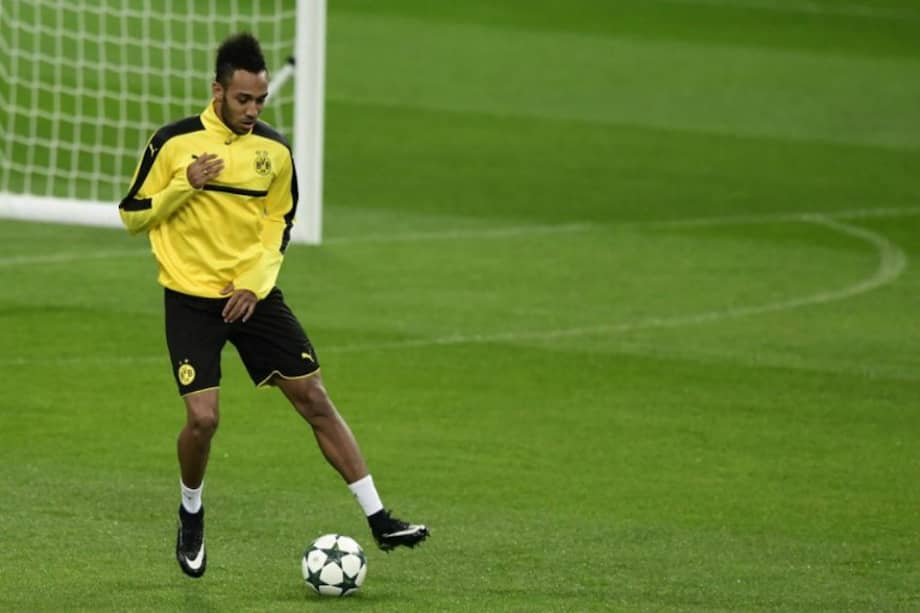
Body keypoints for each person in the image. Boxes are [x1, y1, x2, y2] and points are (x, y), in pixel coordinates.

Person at [118, 32, 428, 579]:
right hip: (190, 300)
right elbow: (132, 214)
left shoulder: (275, 152)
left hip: (252, 297)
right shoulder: (174, 143)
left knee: (314, 398)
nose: (253, 110)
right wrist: (183, 186)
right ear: (218, 91)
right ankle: (191, 512)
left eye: (260, 100)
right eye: (243, 99)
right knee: (203, 420)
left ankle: (379, 518)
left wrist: (252, 287)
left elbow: (276, 227)